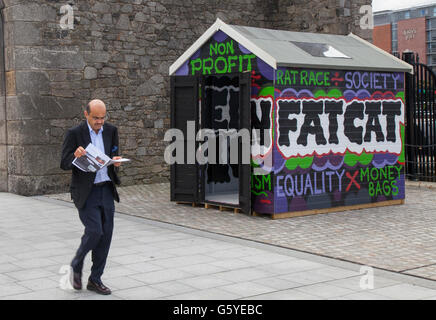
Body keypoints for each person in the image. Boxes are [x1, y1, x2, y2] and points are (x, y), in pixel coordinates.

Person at [60, 99, 122, 295]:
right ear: (86, 114)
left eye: (103, 118)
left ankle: (95, 279)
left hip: (106, 189)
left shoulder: (111, 131)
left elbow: (114, 154)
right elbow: (63, 162)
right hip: (86, 192)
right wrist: (75, 156)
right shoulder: (75, 133)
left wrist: (116, 161)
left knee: (106, 236)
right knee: (95, 231)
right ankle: (76, 264)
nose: (100, 122)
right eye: (96, 118)